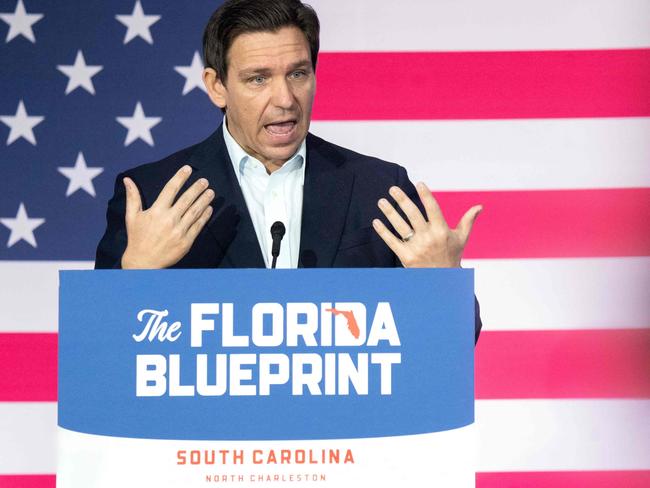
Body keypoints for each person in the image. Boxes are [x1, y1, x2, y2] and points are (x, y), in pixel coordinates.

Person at [95, 0, 483, 341]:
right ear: (217, 86)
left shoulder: (379, 189)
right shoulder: (152, 194)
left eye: (298, 74)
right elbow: (99, 348)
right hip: (210, 426)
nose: (284, 99)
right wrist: (135, 272)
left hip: (340, 424)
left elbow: (452, 345)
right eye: (258, 79)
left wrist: (443, 284)